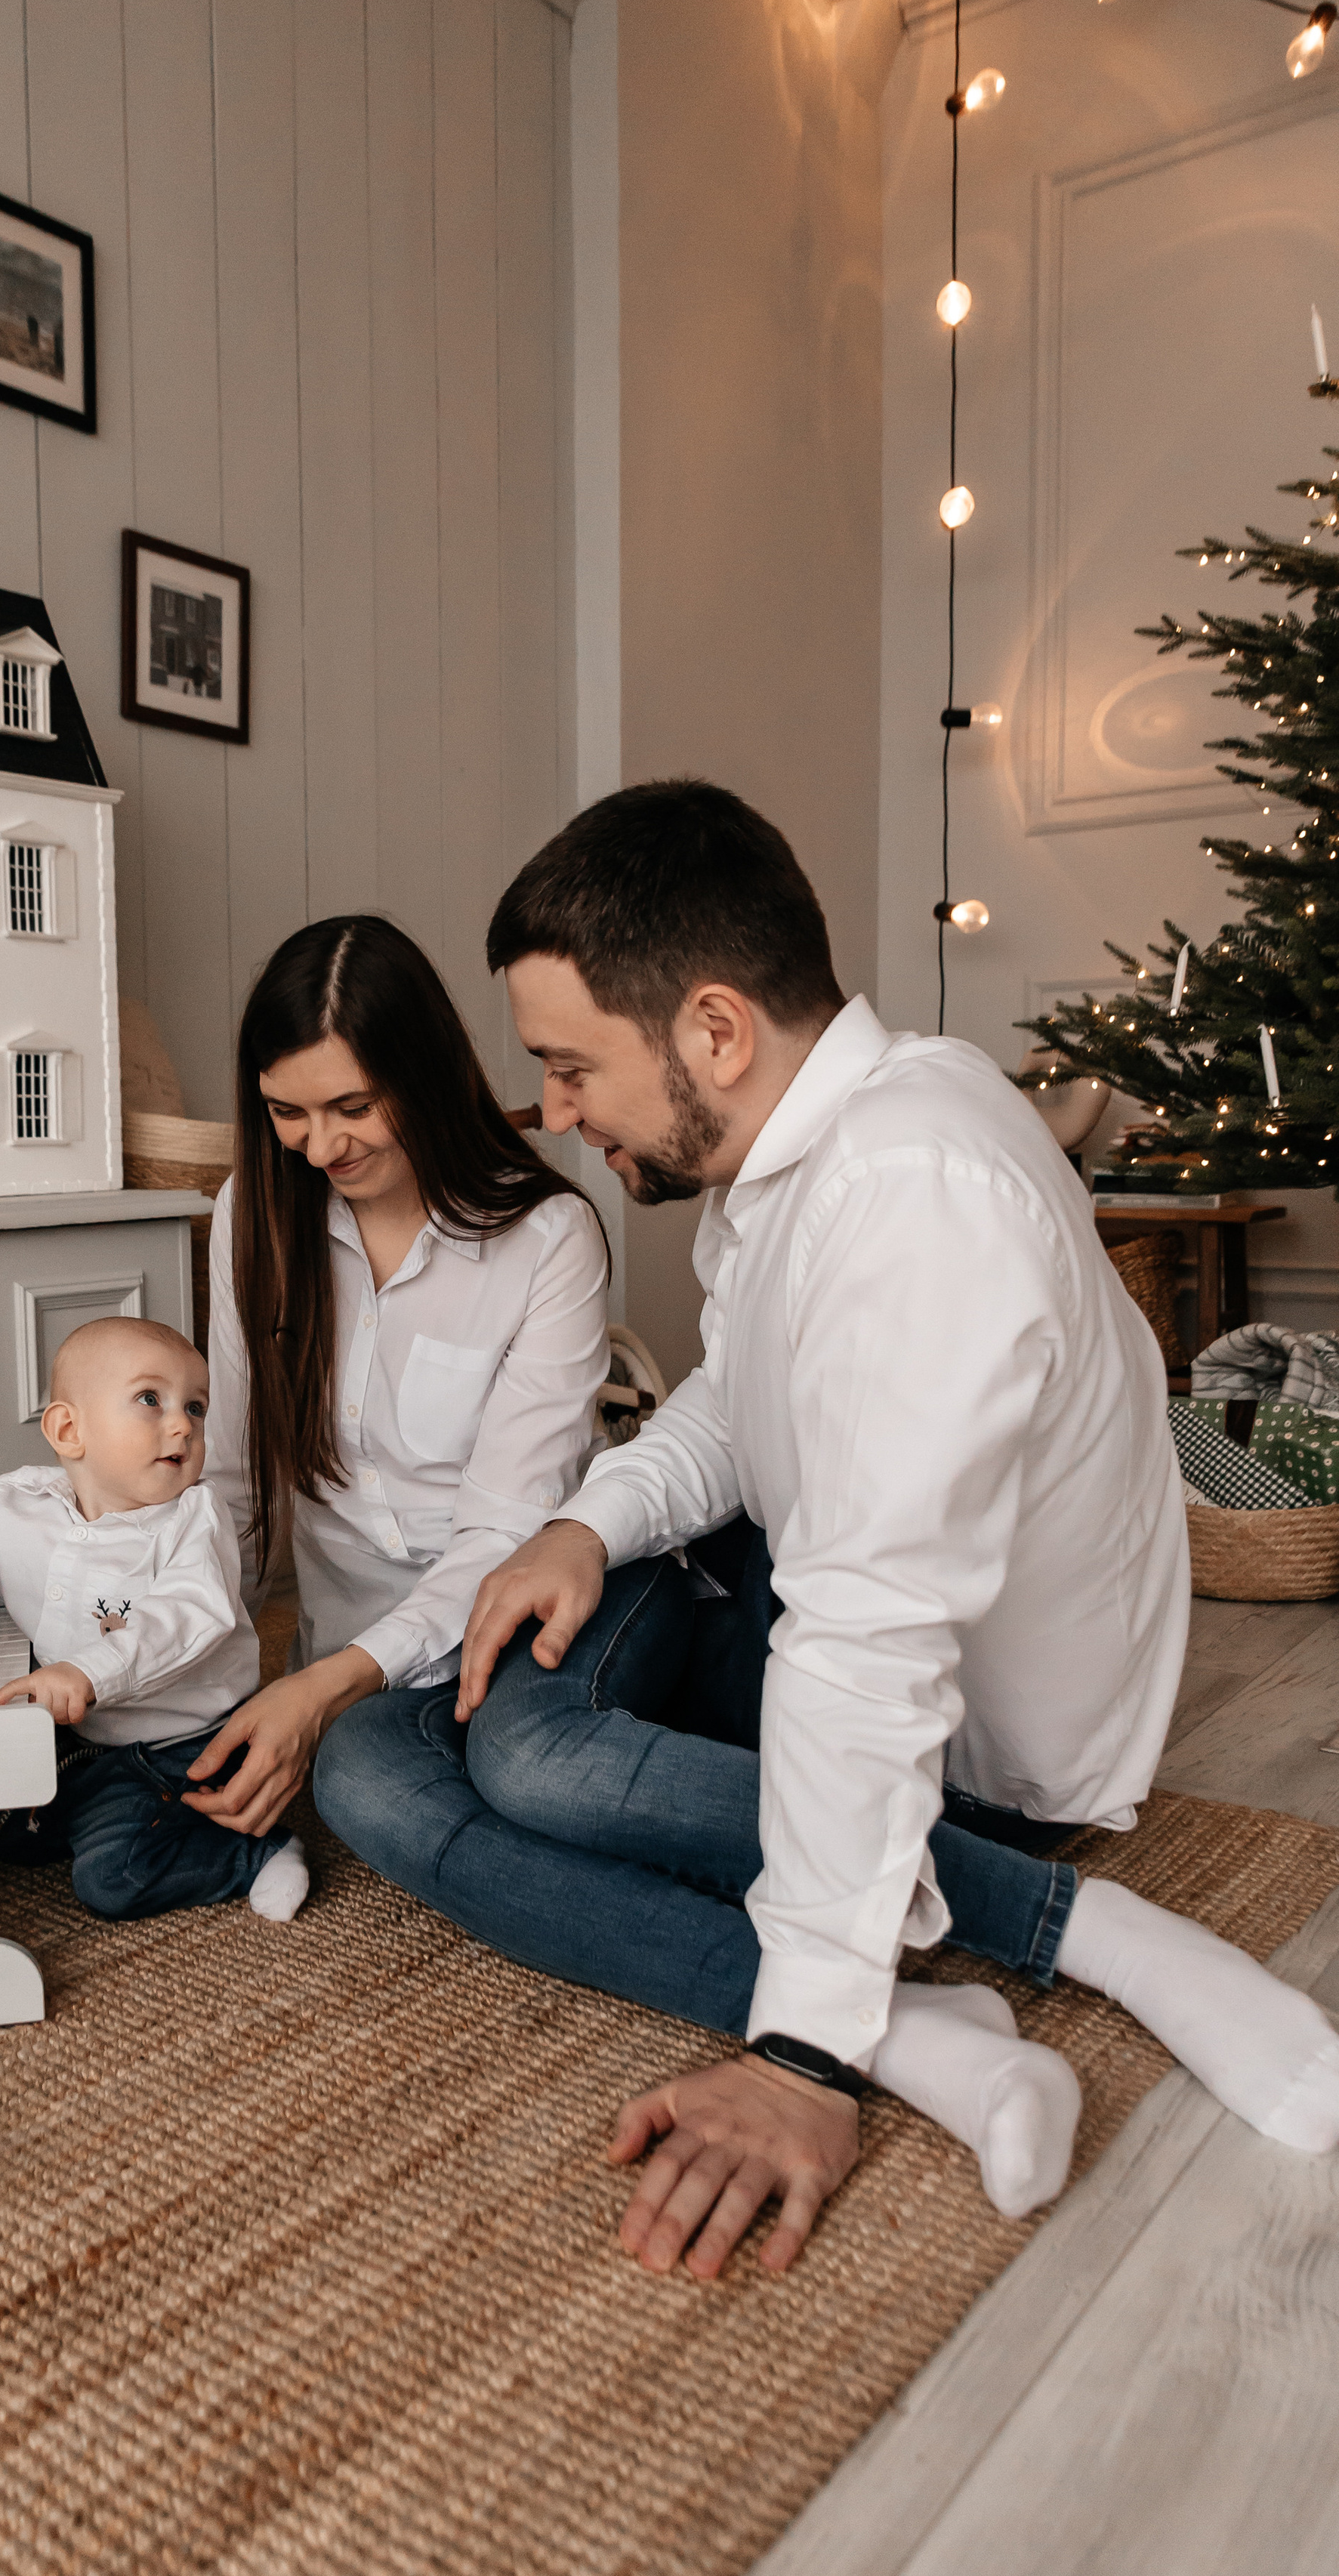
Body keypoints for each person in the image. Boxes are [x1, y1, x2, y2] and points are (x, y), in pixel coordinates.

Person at [317, 782, 1339, 2277]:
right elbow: (745, 1404)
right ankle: (940, 2036)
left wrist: (803, 2054)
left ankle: (1076, 1932)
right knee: (368, 1753)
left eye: (566, 1066)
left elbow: (869, 1641)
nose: (549, 1111)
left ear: (714, 1034)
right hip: (785, 1602)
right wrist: (588, 1529)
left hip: (957, 1749)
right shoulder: (819, 1144)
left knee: (526, 1755)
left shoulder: (914, 1188)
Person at [175, 912, 612, 1844]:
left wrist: (325, 1686)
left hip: (507, 1625)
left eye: (353, 1108)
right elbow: (233, 1480)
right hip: (343, 1664)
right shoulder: (253, 1214)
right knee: (348, 1783)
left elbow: (504, 1532)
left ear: (425, 1078)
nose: (319, 1148)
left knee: (472, 1774)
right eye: (286, 1113)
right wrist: (164, 1652)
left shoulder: (547, 1241)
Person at [0, 1314, 309, 1923]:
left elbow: (188, 1615)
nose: (182, 1424)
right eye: (151, 1399)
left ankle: (256, 1851)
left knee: (113, 1879)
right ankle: (79, 1810)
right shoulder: (20, 1501)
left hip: (175, 1746)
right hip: (76, 1738)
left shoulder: (193, 1517)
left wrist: (89, 1673)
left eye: (196, 1408)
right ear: (69, 1429)